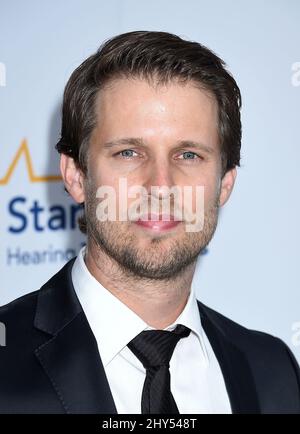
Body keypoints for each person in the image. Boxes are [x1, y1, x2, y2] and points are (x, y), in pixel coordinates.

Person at [0, 31, 299, 414]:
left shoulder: (273, 371)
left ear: (225, 183)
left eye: (188, 155)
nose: (160, 185)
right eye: (128, 152)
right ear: (76, 175)